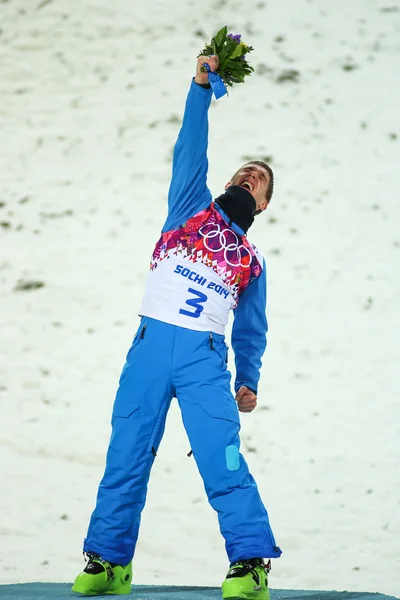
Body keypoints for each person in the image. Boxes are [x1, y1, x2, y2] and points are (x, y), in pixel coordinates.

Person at [72, 53, 282, 599]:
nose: (247, 177)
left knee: (221, 454)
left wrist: (249, 377)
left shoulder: (252, 260)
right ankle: (109, 562)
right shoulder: (188, 207)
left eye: (258, 181)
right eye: (244, 172)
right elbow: (191, 146)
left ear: (262, 204)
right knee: (127, 452)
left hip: (203, 360)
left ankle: (251, 563)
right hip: (147, 348)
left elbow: (251, 330)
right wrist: (199, 89)